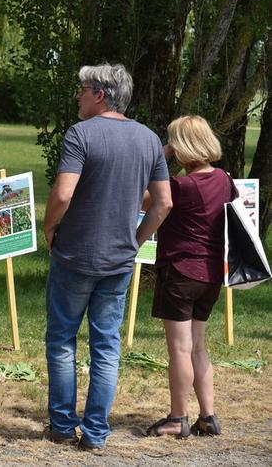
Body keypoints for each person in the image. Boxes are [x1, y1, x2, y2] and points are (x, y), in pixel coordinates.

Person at [42, 63, 173, 453]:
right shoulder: (149, 140)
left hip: (73, 255)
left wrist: (48, 228)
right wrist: (136, 239)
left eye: (82, 89)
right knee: (106, 344)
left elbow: (64, 194)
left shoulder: (81, 134)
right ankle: (96, 431)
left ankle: (63, 425)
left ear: (100, 93)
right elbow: (163, 202)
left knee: (63, 339)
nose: (78, 96)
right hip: (118, 260)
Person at [145, 116, 231, 438]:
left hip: (180, 272)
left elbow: (144, 200)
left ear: (181, 146)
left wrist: (160, 155)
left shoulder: (182, 186)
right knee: (197, 346)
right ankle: (207, 416)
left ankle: (177, 418)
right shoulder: (223, 179)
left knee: (179, 350)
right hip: (210, 275)